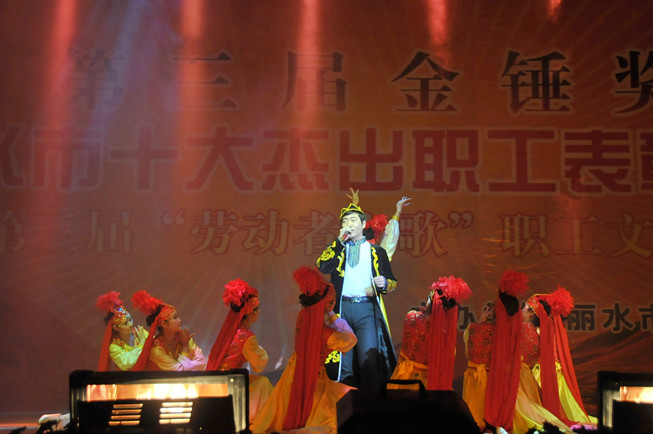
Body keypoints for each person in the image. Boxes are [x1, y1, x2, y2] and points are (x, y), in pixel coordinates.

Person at [251, 266, 357, 433]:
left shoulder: (304, 316)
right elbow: (350, 340)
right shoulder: (326, 332)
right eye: (331, 301)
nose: (334, 304)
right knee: (333, 415)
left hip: (294, 373)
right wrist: (333, 316)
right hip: (314, 380)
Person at [316, 201, 398, 391]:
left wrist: (384, 283)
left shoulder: (376, 252)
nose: (349, 224)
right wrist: (338, 241)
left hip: (366, 310)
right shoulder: (338, 250)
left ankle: (370, 403)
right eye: (345, 221)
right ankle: (344, 403)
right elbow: (322, 266)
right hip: (342, 310)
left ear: (363, 224)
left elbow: (392, 282)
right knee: (344, 363)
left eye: (353, 220)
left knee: (368, 359)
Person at [527, 288, 597, 428]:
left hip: (545, 371)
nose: (526, 312)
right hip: (554, 369)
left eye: (529, 309)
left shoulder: (538, 331)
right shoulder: (552, 327)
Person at [206, 278, 273, 423]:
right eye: (258, 308)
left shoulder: (230, 332)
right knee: (263, 383)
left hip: (220, 380)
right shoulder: (246, 337)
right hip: (231, 383)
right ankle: (259, 421)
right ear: (251, 312)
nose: (260, 311)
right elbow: (260, 363)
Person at [390, 275, 472, 391]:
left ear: (431, 301)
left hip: (402, 377)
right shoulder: (445, 336)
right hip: (427, 383)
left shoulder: (411, 317)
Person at [131, 290, 207, 371]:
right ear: (164, 324)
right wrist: (185, 349)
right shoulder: (157, 350)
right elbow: (178, 372)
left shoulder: (183, 336)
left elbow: (202, 362)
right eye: (175, 318)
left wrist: (187, 365)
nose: (180, 320)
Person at [462, 301, 495, 428]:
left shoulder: (473, 328)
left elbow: (467, 352)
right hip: (490, 378)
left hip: (474, 376)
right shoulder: (502, 333)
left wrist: (480, 323)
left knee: (472, 411)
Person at [95, 291, 148, 371]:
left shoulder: (140, 333)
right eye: (125, 323)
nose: (130, 324)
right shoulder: (114, 347)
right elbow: (127, 363)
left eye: (130, 319)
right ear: (116, 328)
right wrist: (142, 343)